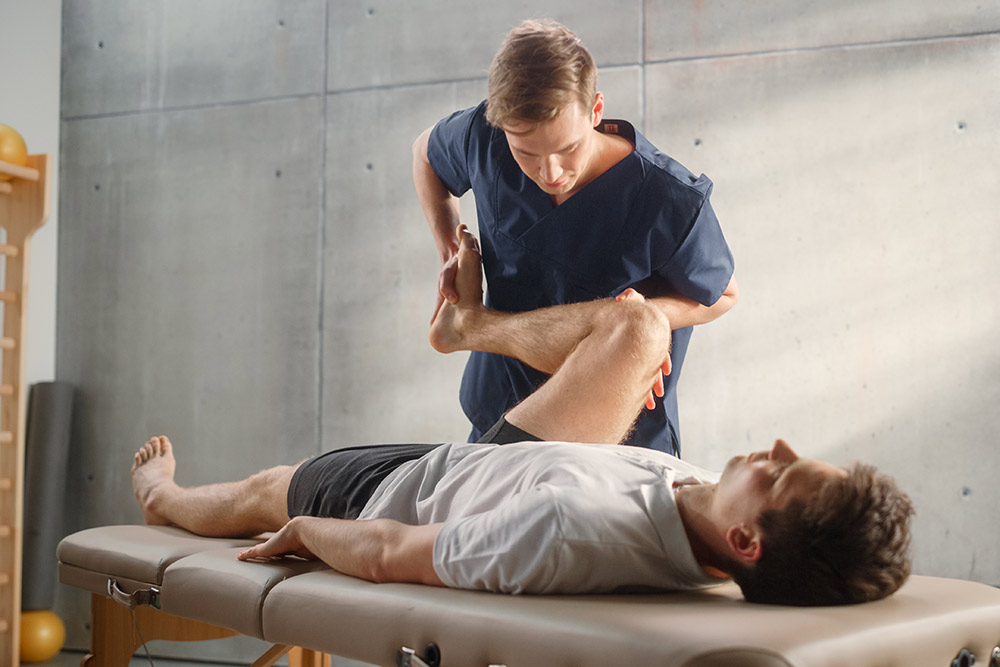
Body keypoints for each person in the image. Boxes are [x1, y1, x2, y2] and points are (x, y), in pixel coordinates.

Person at [131, 228, 913, 606]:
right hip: (522, 461)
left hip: (400, 489)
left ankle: (161, 498)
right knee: (642, 328)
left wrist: (306, 532)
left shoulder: (566, 531)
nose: (776, 445)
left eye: (782, 470)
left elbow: (386, 550)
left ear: (746, 541)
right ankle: (465, 328)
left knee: (267, 490)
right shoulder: (714, 510)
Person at [413, 19, 739, 455]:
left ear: (596, 111)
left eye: (567, 149)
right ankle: (472, 328)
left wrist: (641, 318)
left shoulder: (667, 199)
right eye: (526, 153)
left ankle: (473, 328)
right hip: (502, 409)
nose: (550, 173)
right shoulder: (483, 137)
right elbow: (426, 154)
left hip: (615, 433)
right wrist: (451, 249)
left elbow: (722, 295)